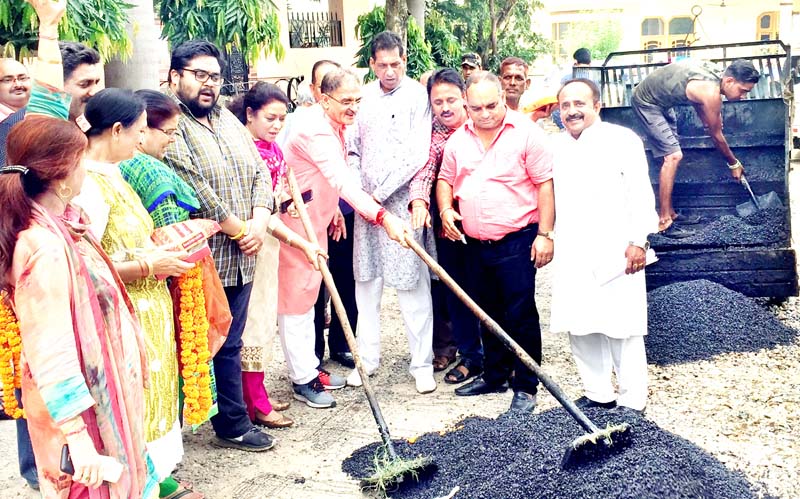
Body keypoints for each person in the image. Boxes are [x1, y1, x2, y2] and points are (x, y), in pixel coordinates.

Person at [2, 114, 158, 498]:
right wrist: (78, 437)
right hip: (78, 415)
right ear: (62, 174)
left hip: (97, 397)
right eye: (81, 158)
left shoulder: (65, 229)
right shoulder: (46, 248)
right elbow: (50, 350)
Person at [72, 89, 204, 499]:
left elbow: (125, 242)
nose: (142, 139)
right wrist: (150, 265)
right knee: (136, 409)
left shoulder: (115, 172)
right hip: (124, 315)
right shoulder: (88, 186)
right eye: (139, 130)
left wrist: (161, 249)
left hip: (148, 309)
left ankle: (151, 483)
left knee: (155, 403)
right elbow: (84, 268)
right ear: (115, 131)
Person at [162, 40, 277, 452]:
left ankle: (231, 422)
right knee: (196, 342)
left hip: (246, 251)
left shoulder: (227, 120)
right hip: (206, 257)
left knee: (231, 341)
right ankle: (183, 428)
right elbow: (192, 184)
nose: (208, 84)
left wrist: (260, 221)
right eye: (199, 75)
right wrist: (237, 228)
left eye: (214, 76)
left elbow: (261, 172)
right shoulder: (169, 123)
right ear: (175, 76)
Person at [279, 67, 410, 408]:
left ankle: (309, 368)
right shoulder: (315, 132)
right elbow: (342, 181)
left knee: (309, 297)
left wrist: (334, 210)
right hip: (297, 224)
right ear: (323, 99)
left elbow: (317, 177)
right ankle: (303, 379)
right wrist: (383, 216)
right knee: (297, 302)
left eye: (358, 100)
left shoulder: (333, 124)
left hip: (318, 218)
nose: (354, 108)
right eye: (346, 101)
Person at [437, 71, 554, 413]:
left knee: (520, 314)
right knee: (485, 312)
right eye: (476, 108)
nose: (485, 113)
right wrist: (445, 209)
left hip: (516, 240)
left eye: (491, 105)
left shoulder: (527, 134)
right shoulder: (459, 139)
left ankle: (526, 384)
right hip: (474, 243)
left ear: (503, 98)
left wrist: (545, 235)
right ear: (466, 106)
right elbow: (445, 179)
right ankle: (494, 374)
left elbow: (545, 184)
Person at [551, 79, 658, 413]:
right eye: (565, 105)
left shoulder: (622, 140)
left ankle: (632, 399)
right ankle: (598, 393)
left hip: (617, 248)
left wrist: (637, 241)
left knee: (621, 326)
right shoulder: (555, 146)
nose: (572, 111)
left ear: (597, 105)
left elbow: (641, 192)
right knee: (580, 324)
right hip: (572, 248)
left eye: (579, 103)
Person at [228, 82, 324, 427]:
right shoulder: (242, 151)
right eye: (270, 118)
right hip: (250, 240)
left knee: (264, 320)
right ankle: (252, 403)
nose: (276, 125)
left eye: (282, 119)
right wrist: (299, 242)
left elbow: (278, 197)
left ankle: (258, 395)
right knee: (252, 324)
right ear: (250, 114)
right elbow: (258, 210)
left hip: (269, 241)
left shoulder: (272, 150)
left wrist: (288, 204)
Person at [346, 31, 436, 394]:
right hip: (364, 207)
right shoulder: (362, 96)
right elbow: (350, 148)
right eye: (381, 65)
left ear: (405, 59)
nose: (389, 71)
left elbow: (418, 153)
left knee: (412, 287)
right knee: (365, 285)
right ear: (371, 63)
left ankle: (422, 364)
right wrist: (358, 194)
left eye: (395, 64)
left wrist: (378, 194)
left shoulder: (417, 96)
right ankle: (366, 360)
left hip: (400, 205)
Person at [409, 68, 483, 385]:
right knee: (455, 290)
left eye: (451, 99)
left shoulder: (482, 126)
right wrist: (420, 202)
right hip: (449, 221)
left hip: (488, 221)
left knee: (488, 290)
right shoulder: (434, 134)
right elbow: (425, 172)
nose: (445, 107)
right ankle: (470, 356)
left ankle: (501, 355)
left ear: (465, 98)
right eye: (437, 102)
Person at [631, 59, 760, 237]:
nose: (744, 96)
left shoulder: (716, 77)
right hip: (647, 103)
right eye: (743, 90)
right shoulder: (710, 91)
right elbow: (715, 135)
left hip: (663, 103)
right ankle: (663, 221)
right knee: (673, 156)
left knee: (671, 155)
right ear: (729, 81)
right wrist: (733, 163)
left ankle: (671, 213)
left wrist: (711, 121)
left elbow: (698, 103)